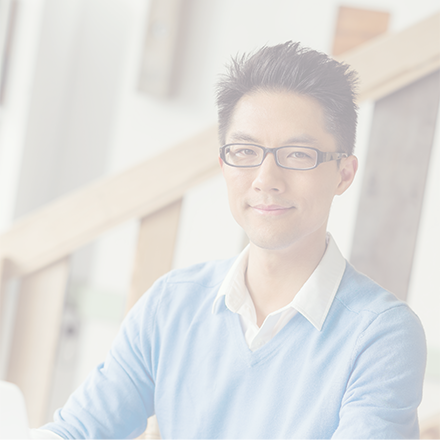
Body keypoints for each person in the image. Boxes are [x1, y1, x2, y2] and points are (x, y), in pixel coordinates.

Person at [32, 41, 426, 439]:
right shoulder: (171, 304)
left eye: (298, 154)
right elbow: (78, 430)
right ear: (224, 163)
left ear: (343, 173)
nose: (266, 180)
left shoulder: (380, 335)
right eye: (244, 151)